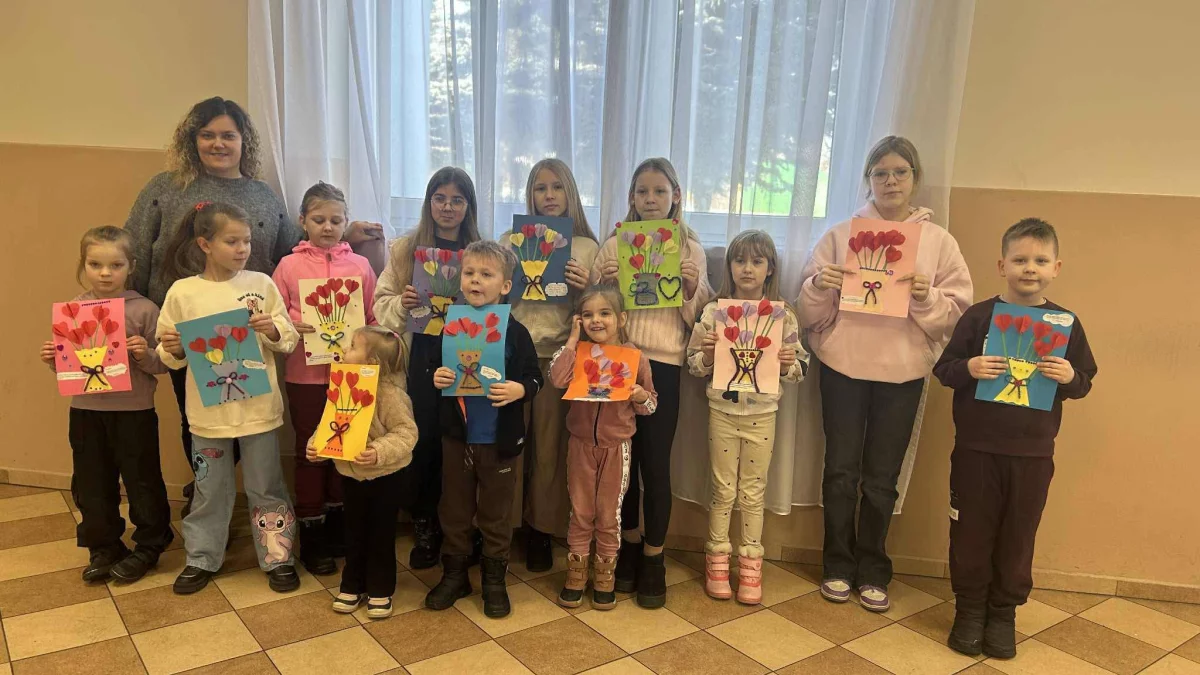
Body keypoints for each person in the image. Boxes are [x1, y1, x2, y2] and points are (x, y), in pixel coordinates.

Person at [125, 96, 385, 504]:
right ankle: (207, 499)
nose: (218, 143)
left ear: (244, 141)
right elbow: (136, 249)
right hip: (187, 330)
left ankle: (228, 499)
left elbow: (293, 249)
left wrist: (340, 237)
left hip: (251, 336)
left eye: (228, 135)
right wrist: (140, 318)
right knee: (199, 423)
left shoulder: (262, 195)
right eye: (207, 135)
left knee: (251, 425)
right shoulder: (164, 188)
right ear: (191, 140)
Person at [798, 136, 973, 611]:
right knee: (840, 471)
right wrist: (819, 286)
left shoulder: (939, 243)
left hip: (903, 373)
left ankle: (873, 568)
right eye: (881, 173)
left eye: (900, 172)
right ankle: (836, 564)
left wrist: (926, 298)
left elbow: (956, 318)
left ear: (915, 178)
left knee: (881, 478)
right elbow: (807, 314)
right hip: (842, 367)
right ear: (868, 180)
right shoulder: (841, 236)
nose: (891, 181)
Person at [935, 218, 1096, 658]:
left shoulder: (1066, 324)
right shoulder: (978, 317)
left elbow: (1084, 381)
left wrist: (1069, 376)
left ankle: (1003, 613)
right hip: (976, 450)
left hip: (1033, 455)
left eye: (1041, 261)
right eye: (1020, 259)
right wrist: (969, 368)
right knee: (970, 532)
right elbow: (944, 369)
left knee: (1019, 535)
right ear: (1001, 265)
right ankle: (969, 610)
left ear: (1056, 268)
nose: (1030, 268)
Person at [155, 201, 300, 595]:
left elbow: (288, 338)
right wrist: (173, 348)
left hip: (258, 412)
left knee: (266, 487)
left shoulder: (261, 284)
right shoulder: (183, 292)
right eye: (231, 241)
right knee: (209, 489)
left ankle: (278, 556)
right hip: (208, 416)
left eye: (246, 241)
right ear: (205, 244)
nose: (242, 249)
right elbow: (166, 350)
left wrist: (272, 329)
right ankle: (201, 558)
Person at [592, 157, 712, 608]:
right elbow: (594, 311)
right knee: (621, 463)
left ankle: (654, 556)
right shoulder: (613, 245)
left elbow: (698, 317)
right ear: (632, 197)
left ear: (675, 196)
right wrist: (602, 286)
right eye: (642, 191)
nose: (650, 199)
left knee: (656, 464)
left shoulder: (689, 248)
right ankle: (625, 545)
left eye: (660, 191)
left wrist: (690, 289)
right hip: (618, 361)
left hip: (663, 364)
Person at [39, 226, 172, 583]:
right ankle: (104, 546)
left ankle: (150, 544)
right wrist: (54, 360)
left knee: (142, 480)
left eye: (116, 265)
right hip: (86, 412)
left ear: (131, 266)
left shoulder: (145, 309)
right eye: (95, 264)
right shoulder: (74, 311)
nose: (105, 273)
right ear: (83, 265)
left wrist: (144, 354)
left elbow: (164, 363)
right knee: (91, 482)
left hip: (134, 412)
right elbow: (72, 368)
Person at [686, 230, 808, 604]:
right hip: (722, 413)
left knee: (753, 491)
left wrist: (787, 363)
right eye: (739, 261)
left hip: (762, 415)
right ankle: (717, 561)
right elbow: (694, 364)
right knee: (723, 490)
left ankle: (751, 564)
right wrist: (709, 355)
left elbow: (799, 368)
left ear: (770, 268)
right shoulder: (714, 312)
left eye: (757, 261)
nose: (748, 269)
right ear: (729, 267)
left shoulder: (783, 315)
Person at [425, 241, 543, 618]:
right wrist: (438, 377)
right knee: (454, 510)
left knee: (495, 514)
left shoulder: (516, 332)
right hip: (457, 438)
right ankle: (455, 575)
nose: (476, 280)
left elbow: (535, 377)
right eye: (470, 273)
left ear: (505, 286)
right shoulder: (450, 327)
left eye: (486, 274)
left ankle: (494, 580)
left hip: (499, 441)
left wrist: (521, 389)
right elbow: (434, 370)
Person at [373, 167, 482, 569]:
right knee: (425, 439)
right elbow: (379, 303)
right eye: (440, 198)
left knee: (462, 438)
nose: (447, 207)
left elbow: (499, 301)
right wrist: (400, 303)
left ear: (468, 206)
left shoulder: (479, 249)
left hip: (468, 351)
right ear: (428, 202)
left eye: (457, 200)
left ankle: (460, 526)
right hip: (422, 354)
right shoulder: (406, 248)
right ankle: (425, 523)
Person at [272, 182, 378, 575]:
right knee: (311, 451)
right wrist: (291, 325)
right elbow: (275, 319)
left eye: (336, 220)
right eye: (319, 219)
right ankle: (312, 531)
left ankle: (338, 525)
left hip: (349, 376)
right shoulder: (288, 266)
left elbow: (372, 317)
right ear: (303, 220)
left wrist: (372, 344)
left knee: (345, 448)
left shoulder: (360, 266)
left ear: (346, 221)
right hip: (305, 375)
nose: (328, 227)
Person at [506, 158, 600, 572]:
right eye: (540, 188)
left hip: (559, 359)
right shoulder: (511, 240)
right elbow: (492, 296)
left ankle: (540, 528)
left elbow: (601, 312)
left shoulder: (586, 247)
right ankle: (503, 525)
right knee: (509, 444)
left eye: (557, 187)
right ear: (530, 195)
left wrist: (586, 287)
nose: (548, 196)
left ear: (570, 194)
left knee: (548, 448)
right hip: (514, 354)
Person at [548, 284, 656, 609]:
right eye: (588, 315)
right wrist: (571, 340)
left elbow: (651, 405)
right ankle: (576, 574)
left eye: (605, 313)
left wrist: (640, 396)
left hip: (616, 448)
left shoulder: (636, 358)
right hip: (580, 445)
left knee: (609, 514)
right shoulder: (577, 354)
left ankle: (605, 575)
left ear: (621, 318)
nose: (596, 320)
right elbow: (556, 379)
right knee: (581, 511)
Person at [307, 327, 418, 619]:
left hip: (386, 478)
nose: (345, 350)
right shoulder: (342, 389)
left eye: (353, 347)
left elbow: (407, 433)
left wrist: (379, 451)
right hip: (351, 476)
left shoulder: (391, 395)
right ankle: (352, 584)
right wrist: (316, 446)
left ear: (372, 362)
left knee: (381, 534)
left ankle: (381, 587)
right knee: (353, 532)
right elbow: (329, 424)